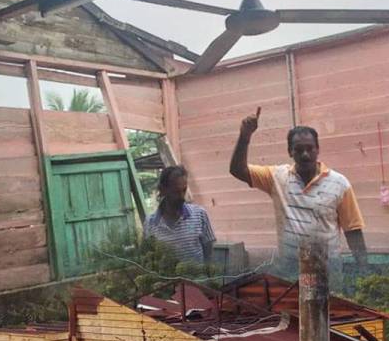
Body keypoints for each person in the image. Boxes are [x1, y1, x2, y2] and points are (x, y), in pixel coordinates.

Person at [229, 107, 367, 284]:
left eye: (310, 148)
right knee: (291, 312)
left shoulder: (339, 184)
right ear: (290, 152)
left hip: (328, 274)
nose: (305, 154)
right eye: (298, 149)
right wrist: (244, 137)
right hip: (289, 275)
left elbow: (353, 231)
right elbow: (237, 170)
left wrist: (364, 272)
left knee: (329, 312)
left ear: (318, 149)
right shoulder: (277, 178)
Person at [143, 166, 216, 264]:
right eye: (176, 192)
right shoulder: (150, 223)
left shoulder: (199, 215)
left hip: (197, 278)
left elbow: (209, 254)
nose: (182, 197)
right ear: (163, 190)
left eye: (184, 190)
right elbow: (149, 259)